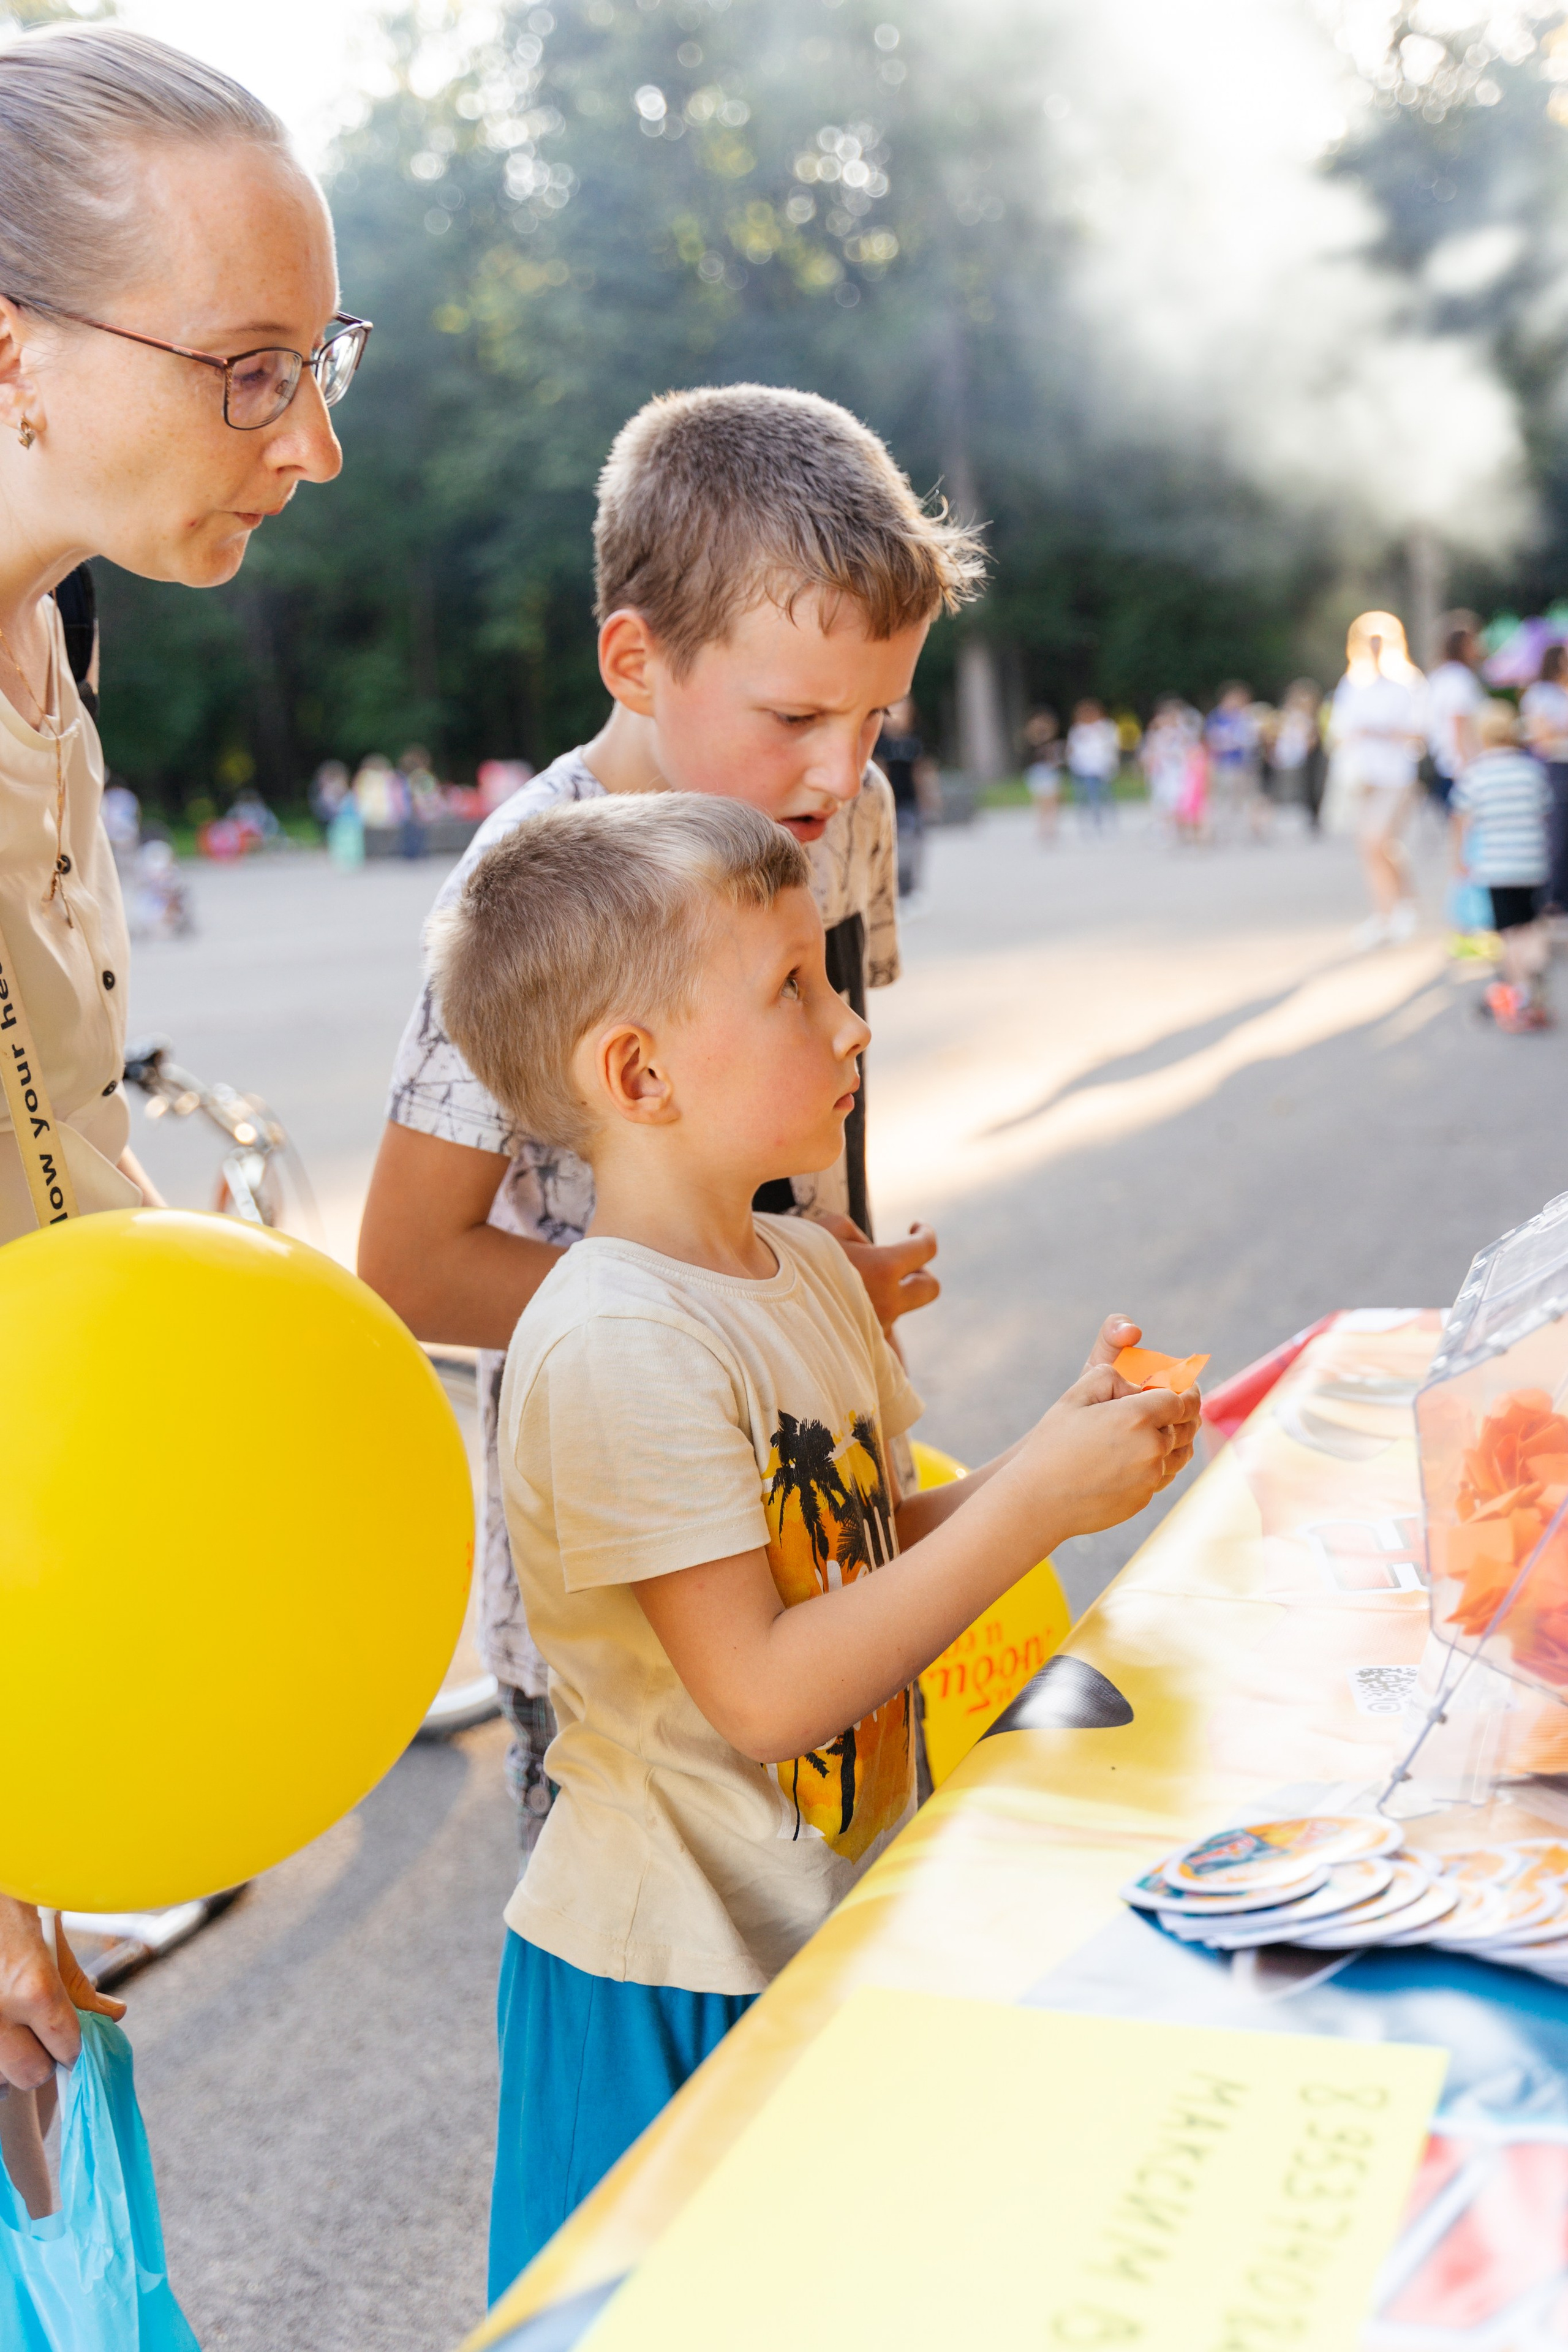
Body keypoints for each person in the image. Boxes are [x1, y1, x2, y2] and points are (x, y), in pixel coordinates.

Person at [427, 793, 1201, 2291]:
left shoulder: (798, 1266)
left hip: (812, 1915)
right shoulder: (613, 1337)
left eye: (828, 975)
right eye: (790, 986)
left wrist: (1057, 1453)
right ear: (635, 1071)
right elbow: (772, 1688)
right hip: (662, 1966)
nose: (848, 1023)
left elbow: (845, 1541)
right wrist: (1035, 1500)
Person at [356, 385, 984, 1852]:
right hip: (633, 1591)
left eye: (877, 710)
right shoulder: (532, 889)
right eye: (793, 717)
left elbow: (829, 1090)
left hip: (821, 1509)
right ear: (634, 659)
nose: (840, 768)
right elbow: (411, 1259)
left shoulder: (848, 812)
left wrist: (835, 1275)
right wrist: (731, 1324)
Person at [0, 20, 360, 2212]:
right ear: (14, 357)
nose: (309, 439)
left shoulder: (57, 648)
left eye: (324, 362)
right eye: (245, 366)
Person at [1451, 700, 1553, 1031]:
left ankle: (1518, 997)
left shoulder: (1477, 775)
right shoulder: (1532, 770)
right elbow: (1545, 812)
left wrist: (1460, 860)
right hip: (1533, 863)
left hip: (1497, 867)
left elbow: (1462, 820)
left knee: (1509, 935)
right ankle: (1532, 971)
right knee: (1531, 924)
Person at [1325, 611, 1425, 947]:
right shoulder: (1353, 683)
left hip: (1396, 776)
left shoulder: (1408, 683)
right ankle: (1386, 913)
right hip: (1363, 777)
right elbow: (1340, 729)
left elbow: (1419, 732)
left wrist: (1379, 732)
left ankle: (1401, 907)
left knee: (1378, 840)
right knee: (1373, 847)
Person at [1520, 641, 1568, 918]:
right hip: (1554, 767)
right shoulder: (1541, 694)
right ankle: (1555, 897)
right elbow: (1543, 737)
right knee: (1557, 834)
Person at [872, 694, 933, 900]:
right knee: (890, 848)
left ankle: (911, 888)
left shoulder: (914, 740)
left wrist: (928, 799)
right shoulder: (879, 743)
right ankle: (892, 889)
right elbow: (878, 774)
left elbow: (921, 772)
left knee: (912, 847)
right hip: (890, 803)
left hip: (910, 802)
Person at [1424, 611, 1486, 811]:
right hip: (1459, 767)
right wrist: (1467, 768)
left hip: (1444, 763)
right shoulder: (1460, 679)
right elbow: (1458, 724)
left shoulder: (1439, 677)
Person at [1205, 681, 1263, 840]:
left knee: (1250, 798)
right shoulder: (1217, 717)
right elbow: (1213, 740)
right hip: (1225, 764)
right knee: (1223, 799)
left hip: (1244, 764)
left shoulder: (1246, 716)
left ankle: (1254, 830)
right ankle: (1217, 831)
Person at [1266, 679, 1325, 830]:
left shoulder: (1310, 718)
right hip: (1288, 759)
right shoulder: (1285, 716)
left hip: (1302, 760)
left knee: (1301, 791)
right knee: (1285, 791)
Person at [1065, 696, 1119, 831]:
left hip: (1101, 767)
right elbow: (1072, 749)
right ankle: (1093, 823)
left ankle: (1107, 821)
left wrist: (1111, 764)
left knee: (1104, 796)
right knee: (1086, 797)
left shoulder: (1106, 726)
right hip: (1083, 768)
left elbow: (1112, 746)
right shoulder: (1078, 729)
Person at [1022, 706, 1063, 843]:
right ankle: (1042, 828)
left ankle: (1051, 827)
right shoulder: (1031, 742)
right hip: (1038, 772)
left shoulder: (1053, 742)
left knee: (1053, 802)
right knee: (1041, 802)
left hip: (1050, 771)